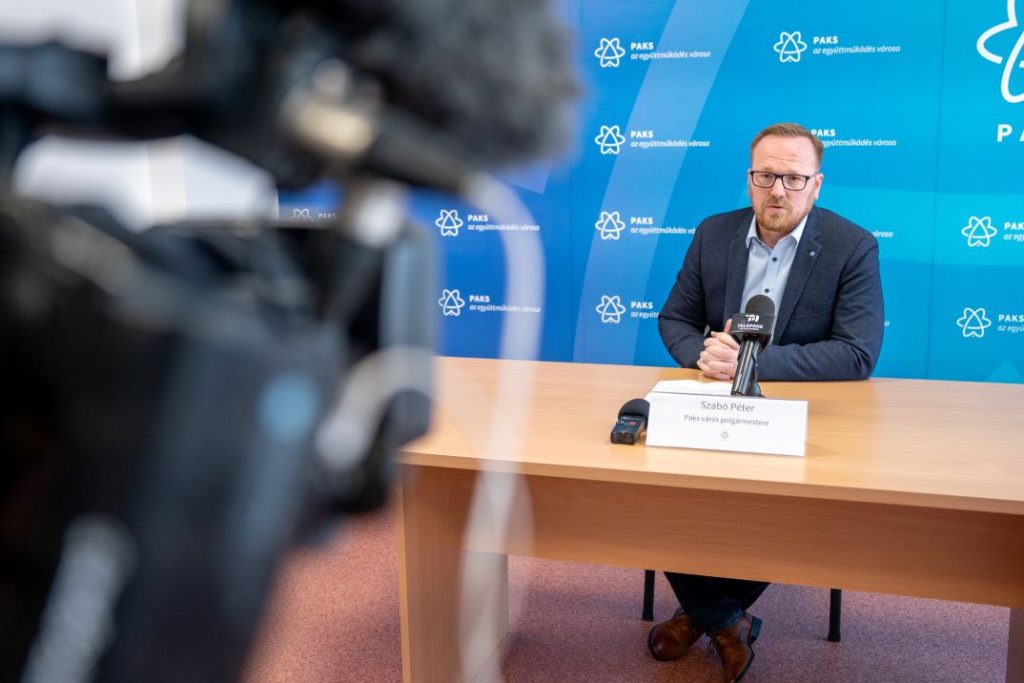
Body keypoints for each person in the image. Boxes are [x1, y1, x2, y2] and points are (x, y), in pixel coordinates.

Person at [651, 123, 884, 682]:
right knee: (659, 486)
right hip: (714, 403)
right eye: (766, 176)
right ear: (750, 179)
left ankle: (702, 616)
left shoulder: (852, 245)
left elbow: (857, 353)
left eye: (794, 178)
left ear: (816, 184)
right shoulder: (713, 233)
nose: (778, 190)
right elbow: (675, 319)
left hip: (797, 411)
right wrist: (702, 354)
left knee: (785, 506)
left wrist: (753, 364)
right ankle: (726, 622)